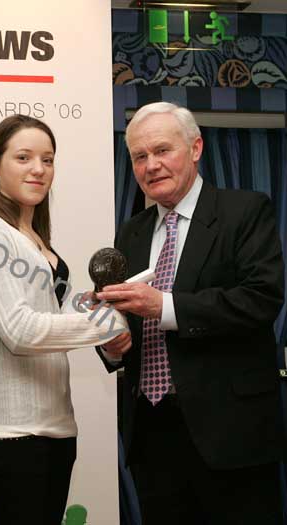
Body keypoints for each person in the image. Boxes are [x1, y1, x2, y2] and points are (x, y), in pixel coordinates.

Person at [96, 102, 285, 524]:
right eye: (140, 156)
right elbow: (126, 327)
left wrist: (163, 306)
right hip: (152, 432)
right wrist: (112, 342)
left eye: (163, 150)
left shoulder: (245, 211)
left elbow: (261, 298)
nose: (152, 165)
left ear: (196, 147)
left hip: (231, 432)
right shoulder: (132, 231)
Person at [0, 115, 130, 525]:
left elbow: (48, 318)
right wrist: (109, 324)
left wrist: (92, 309)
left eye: (48, 159)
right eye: (23, 157)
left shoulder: (34, 236)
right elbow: (20, 332)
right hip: (10, 427)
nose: (39, 169)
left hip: (56, 423)